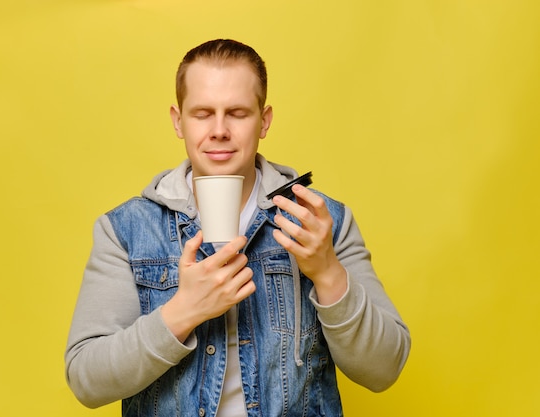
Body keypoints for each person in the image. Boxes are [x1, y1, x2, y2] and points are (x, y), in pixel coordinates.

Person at [65, 39, 410, 416]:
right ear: (178, 122)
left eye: (237, 113)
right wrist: (184, 311)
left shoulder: (321, 222)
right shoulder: (126, 230)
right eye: (202, 113)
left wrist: (328, 272)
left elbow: (383, 370)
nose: (219, 130)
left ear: (264, 120)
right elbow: (87, 379)